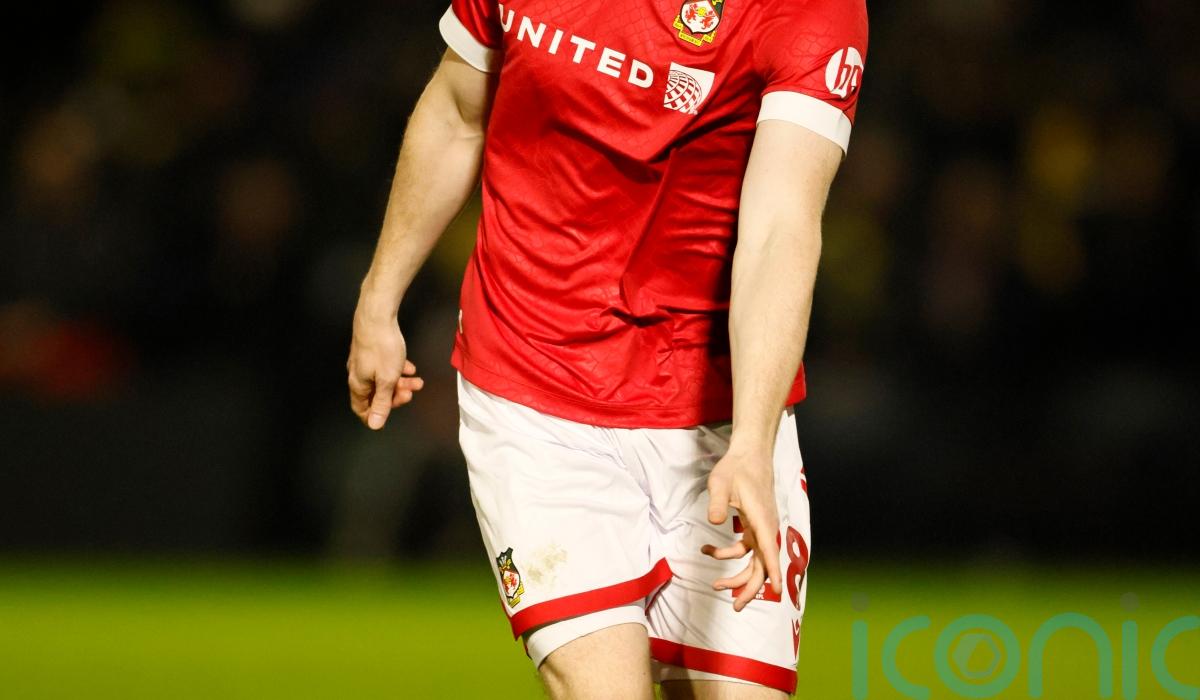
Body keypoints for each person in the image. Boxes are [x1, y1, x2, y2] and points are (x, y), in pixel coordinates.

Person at [347, 0, 866, 696]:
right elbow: (455, 110)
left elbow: (781, 223)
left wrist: (752, 439)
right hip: (534, 383)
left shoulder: (810, 9)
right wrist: (379, 298)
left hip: (711, 408)